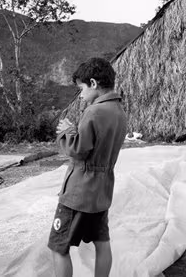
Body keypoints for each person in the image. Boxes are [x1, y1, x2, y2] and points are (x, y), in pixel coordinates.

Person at [50, 58, 128, 277]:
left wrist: (67, 131)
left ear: (93, 83)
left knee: (59, 247)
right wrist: (76, 130)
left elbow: (79, 151)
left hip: (79, 193)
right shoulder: (119, 112)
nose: (81, 95)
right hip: (102, 193)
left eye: (81, 89)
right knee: (102, 242)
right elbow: (97, 145)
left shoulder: (93, 112)